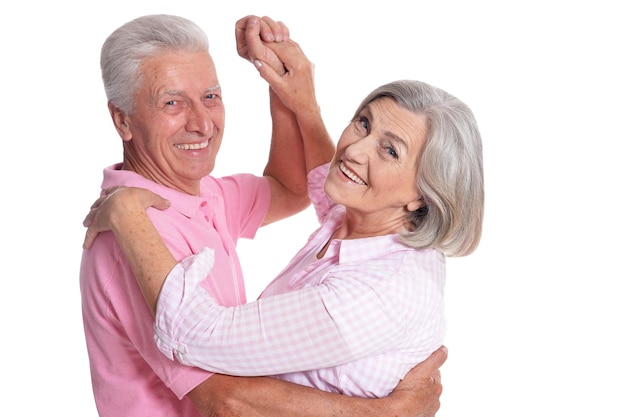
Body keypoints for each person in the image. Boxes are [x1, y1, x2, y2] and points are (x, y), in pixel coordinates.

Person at [80, 13, 446, 417]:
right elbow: (224, 401)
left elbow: (291, 188)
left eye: (210, 97)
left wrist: (287, 92)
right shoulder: (135, 240)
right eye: (172, 103)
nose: (202, 123)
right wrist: (389, 414)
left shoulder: (202, 196)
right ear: (122, 120)